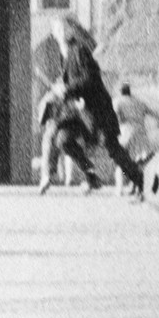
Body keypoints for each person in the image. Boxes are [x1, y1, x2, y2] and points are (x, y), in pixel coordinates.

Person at [55, 16, 146, 194]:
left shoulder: (79, 50)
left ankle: (141, 181)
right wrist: (63, 92)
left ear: (70, 31)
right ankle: (91, 175)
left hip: (97, 110)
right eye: (57, 30)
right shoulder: (64, 55)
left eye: (62, 29)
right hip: (79, 113)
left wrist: (67, 89)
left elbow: (90, 78)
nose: (59, 33)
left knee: (112, 148)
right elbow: (73, 84)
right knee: (62, 139)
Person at [37, 82, 102, 194]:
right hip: (62, 123)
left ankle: (47, 175)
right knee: (60, 141)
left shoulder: (78, 95)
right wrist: (50, 97)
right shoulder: (55, 96)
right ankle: (89, 174)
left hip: (72, 123)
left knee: (53, 139)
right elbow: (43, 117)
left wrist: (91, 139)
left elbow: (89, 116)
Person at [112, 83, 159, 198]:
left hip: (125, 131)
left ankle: (120, 189)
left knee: (121, 161)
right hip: (140, 132)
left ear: (120, 92)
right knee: (137, 161)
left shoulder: (117, 101)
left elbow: (115, 117)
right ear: (129, 91)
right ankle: (136, 187)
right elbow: (154, 114)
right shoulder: (139, 102)